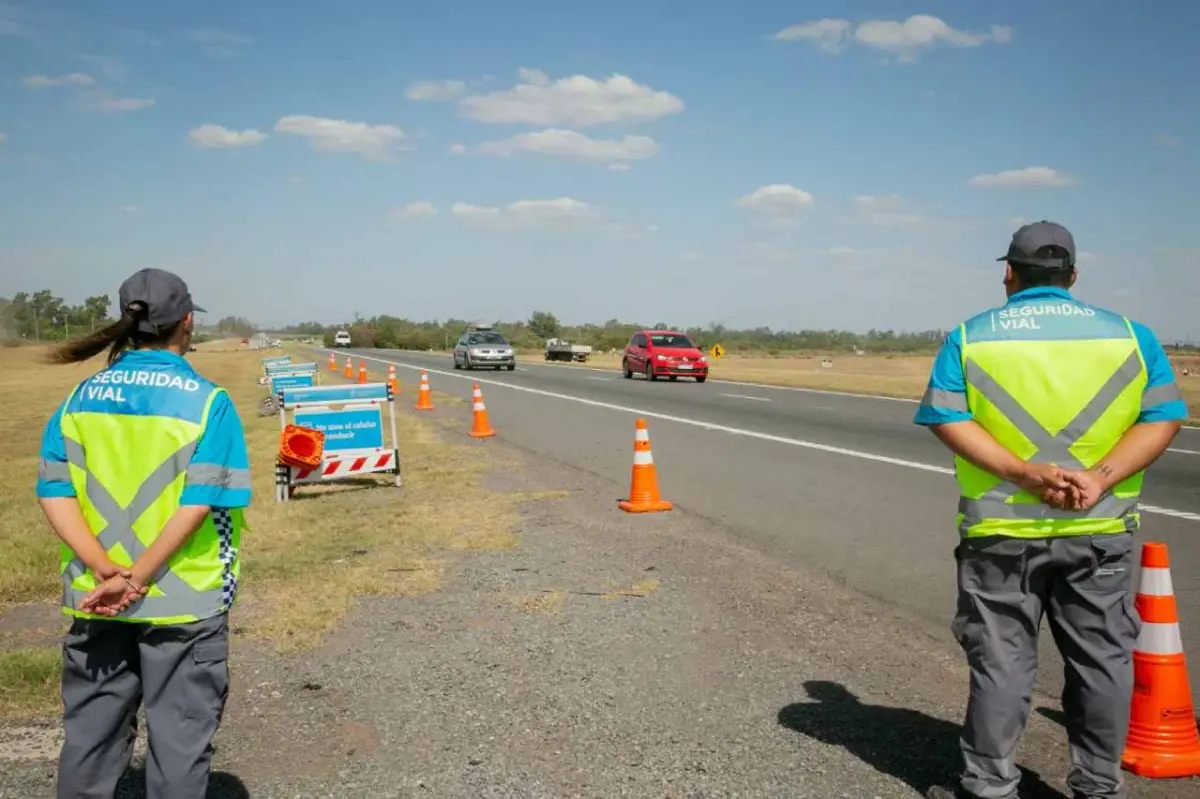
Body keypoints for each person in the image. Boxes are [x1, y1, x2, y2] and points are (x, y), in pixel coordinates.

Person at [915, 221, 1187, 799]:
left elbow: (946, 417)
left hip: (1000, 533)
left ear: (1009, 274)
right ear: (1073, 276)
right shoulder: (1132, 336)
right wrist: (1098, 477)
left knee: (1003, 665)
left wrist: (1022, 473)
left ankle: (990, 786)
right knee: (1103, 663)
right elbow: (1162, 417)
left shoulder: (971, 336)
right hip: (1100, 529)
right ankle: (1096, 786)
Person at [35, 268, 251, 799]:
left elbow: (54, 491)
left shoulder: (78, 399)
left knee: (89, 741)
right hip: (184, 602)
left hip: (96, 597)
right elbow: (198, 505)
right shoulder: (207, 402)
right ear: (187, 322)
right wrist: (139, 576)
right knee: (178, 745)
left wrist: (105, 569)